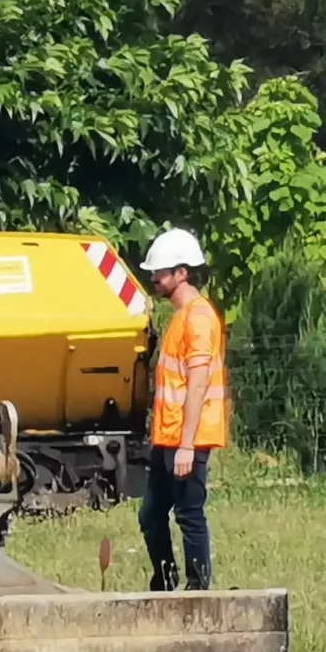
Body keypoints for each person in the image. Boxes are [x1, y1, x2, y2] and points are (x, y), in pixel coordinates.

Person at [138, 230, 225, 591]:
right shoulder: (180, 317)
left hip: (188, 438)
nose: (154, 278)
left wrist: (187, 445)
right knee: (151, 515)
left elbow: (198, 384)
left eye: (162, 271)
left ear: (183, 273)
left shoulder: (199, 318)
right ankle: (165, 580)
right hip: (169, 438)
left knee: (189, 515)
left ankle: (197, 589)